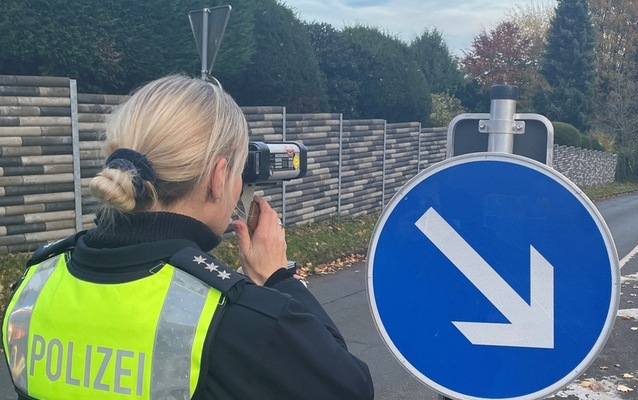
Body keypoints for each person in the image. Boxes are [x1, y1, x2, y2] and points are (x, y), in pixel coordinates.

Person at [2, 74, 374, 399]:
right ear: (217, 177)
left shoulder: (34, 285)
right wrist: (278, 278)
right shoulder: (239, 321)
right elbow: (351, 388)